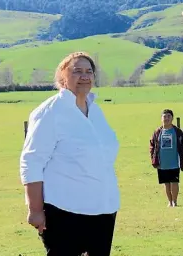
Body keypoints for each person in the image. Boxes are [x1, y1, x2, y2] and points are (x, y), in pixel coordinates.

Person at [19, 52, 120, 256]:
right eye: (77, 71)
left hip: (103, 210)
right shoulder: (51, 111)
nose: (85, 76)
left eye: (89, 71)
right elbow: (32, 161)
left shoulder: (95, 110)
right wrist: (36, 210)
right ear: (62, 78)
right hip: (65, 211)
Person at [149, 109, 183, 207]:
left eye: (169, 116)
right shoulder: (157, 132)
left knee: (174, 182)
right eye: (164, 116)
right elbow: (152, 145)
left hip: (174, 161)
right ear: (161, 118)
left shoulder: (177, 131)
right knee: (166, 183)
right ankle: (169, 201)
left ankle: (175, 201)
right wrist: (153, 158)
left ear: (172, 118)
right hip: (162, 162)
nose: (166, 118)